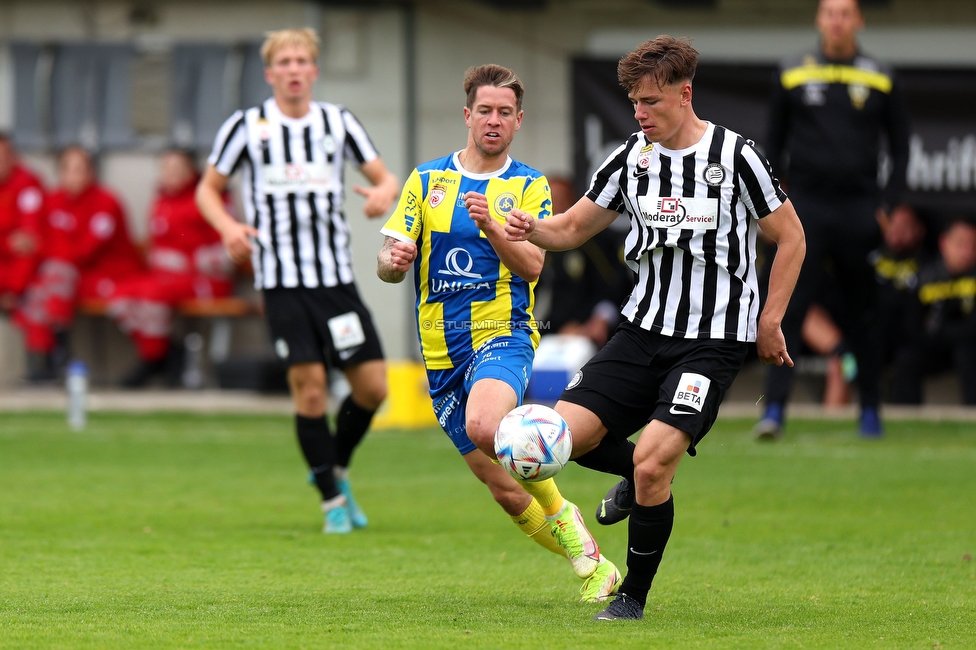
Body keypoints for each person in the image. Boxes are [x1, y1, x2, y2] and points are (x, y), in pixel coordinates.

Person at [505, 36, 805, 620]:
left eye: (649, 102)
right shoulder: (630, 157)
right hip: (641, 330)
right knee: (556, 442)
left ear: (684, 93)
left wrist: (770, 321)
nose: (639, 114)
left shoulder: (737, 156)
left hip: (713, 340)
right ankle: (640, 481)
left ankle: (632, 597)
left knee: (653, 462)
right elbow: (569, 230)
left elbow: (791, 237)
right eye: (633, 103)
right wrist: (526, 227)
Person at [376, 64, 621, 603]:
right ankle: (589, 558)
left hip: (502, 333)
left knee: (488, 425)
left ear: (518, 121)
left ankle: (561, 514)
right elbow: (387, 264)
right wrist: (394, 261)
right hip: (440, 350)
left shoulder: (528, 185)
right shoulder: (426, 180)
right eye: (484, 110)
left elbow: (534, 266)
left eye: (504, 113)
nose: (493, 120)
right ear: (467, 115)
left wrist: (490, 225)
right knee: (504, 489)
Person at [196, 28, 399, 534]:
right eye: (283, 61)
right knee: (309, 391)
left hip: (334, 282)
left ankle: (335, 467)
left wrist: (381, 196)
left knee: (373, 387)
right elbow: (207, 190)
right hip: (281, 283)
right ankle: (332, 502)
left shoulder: (337, 122)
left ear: (313, 70)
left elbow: (386, 179)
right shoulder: (247, 126)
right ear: (270, 74)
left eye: (301, 60)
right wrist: (228, 228)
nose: (292, 69)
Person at [755, 0, 911, 439]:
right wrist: (775, 208)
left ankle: (871, 410)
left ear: (858, 20)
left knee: (864, 312)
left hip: (861, 209)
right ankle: (775, 411)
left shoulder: (882, 74)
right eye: (830, 12)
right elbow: (772, 145)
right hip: (805, 209)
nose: (837, 21)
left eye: (846, 13)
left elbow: (900, 148)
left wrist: (889, 205)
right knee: (787, 307)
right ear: (819, 19)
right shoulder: (791, 71)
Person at [14, 146, 143, 382]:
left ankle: (55, 357)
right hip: (73, 278)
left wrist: (39, 247)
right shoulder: (53, 200)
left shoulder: (106, 202)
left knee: (55, 276)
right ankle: (47, 359)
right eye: (68, 169)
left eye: (80, 169)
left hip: (109, 275)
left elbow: (83, 251)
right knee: (39, 286)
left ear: (92, 172)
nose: (74, 176)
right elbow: (48, 247)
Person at [109, 149, 234, 387]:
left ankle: (154, 360)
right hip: (168, 278)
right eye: (166, 169)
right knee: (119, 295)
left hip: (204, 279)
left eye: (178, 169)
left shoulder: (209, 197)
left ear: (192, 172)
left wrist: (191, 261)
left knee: (152, 295)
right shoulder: (161, 201)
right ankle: (164, 354)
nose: (171, 175)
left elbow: (229, 249)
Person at [537, 177, 631, 349]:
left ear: (574, 201)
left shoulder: (596, 241)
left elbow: (613, 285)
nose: (553, 206)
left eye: (559, 199)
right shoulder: (536, 243)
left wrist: (599, 320)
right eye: (547, 201)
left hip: (590, 333)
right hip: (551, 331)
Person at [889, 218, 976, 405]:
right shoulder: (925, 276)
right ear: (944, 243)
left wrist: (940, 330)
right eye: (961, 244)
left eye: (972, 246)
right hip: (933, 347)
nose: (967, 252)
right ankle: (906, 420)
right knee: (908, 359)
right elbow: (912, 328)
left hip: (967, 348)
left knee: (968, 354)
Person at [0, 134, 46, 313]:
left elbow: (27, 241)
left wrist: (12, 289)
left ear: (14, 157)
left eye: (4, 155)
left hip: (21, 268)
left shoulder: (27, 183)